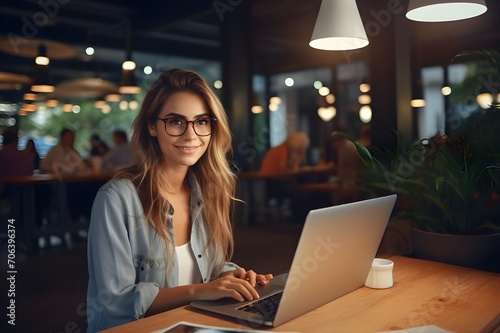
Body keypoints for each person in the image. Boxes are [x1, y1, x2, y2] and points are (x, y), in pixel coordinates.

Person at [86, 69, 273, 332]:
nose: (190, 134)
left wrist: (231, 276)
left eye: (202, 121)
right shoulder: (116, 199)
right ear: (152, 126)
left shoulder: (208, 190)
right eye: (175, 121)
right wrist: (202, 290)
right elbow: (115, 303)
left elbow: (210, 267)